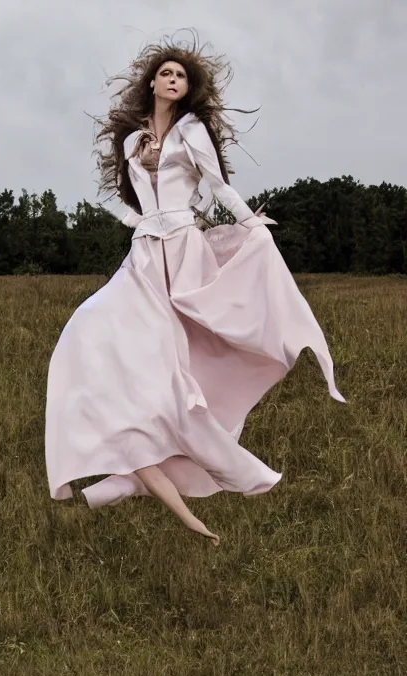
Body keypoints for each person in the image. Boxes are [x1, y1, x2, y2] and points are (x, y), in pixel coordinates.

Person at [45, 38, 345, 544]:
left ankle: (174, 470)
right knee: (87, 331)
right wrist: (139, 220)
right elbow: (114, 196)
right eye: (165, 74)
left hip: (184, 250)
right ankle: (125, 465)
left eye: (180, 77)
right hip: (144, 253)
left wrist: (250, 221)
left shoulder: (192, 130)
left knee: (176, 370)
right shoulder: (133, 141)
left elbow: (218, 185)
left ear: (187, 89)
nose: (172, 80)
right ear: (151, 83)